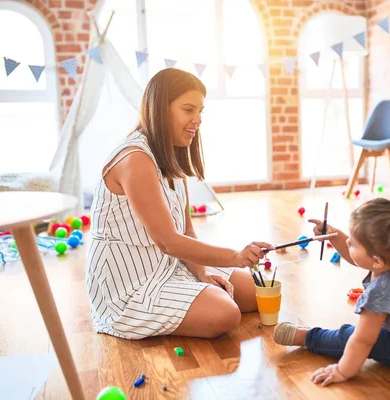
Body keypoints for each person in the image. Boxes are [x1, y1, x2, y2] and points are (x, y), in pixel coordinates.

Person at [85, 68, 274, 340]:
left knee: (256, 292)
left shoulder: (171, 156)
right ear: (160, 109)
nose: (197, 120)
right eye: (188, 109)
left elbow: (185, 231)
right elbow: (169, 242)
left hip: (170, 265)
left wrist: (202, 271)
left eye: (200, 111)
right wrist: (235, 256)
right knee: (226, 313)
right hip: (130, 285)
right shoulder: (135, 159)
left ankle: (192, 293)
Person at [272, 197, 390, 386]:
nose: (348, 242)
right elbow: (357, 257)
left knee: (350, 336)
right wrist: (334, 235)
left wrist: (341, 371)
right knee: (363, 330)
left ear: (377, 261)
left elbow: (362, 342)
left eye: (353, 243)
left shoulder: (382, 291)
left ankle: (308, 337)